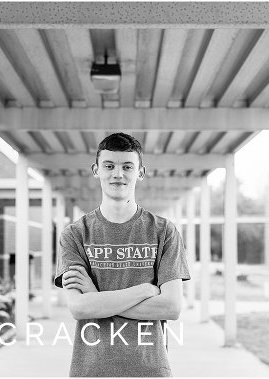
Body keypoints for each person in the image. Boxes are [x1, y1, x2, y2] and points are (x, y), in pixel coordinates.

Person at [54, 132, 190, 377]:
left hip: (150, 370)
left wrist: (97, 298)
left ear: (141, 172)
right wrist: (146, 290)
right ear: (96, 170)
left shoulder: (163, 231)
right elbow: (80, 308)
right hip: (91, 370)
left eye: (128, 166)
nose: (118, 174)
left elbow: (171, 307)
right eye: (109, 166)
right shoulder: (75, 234)